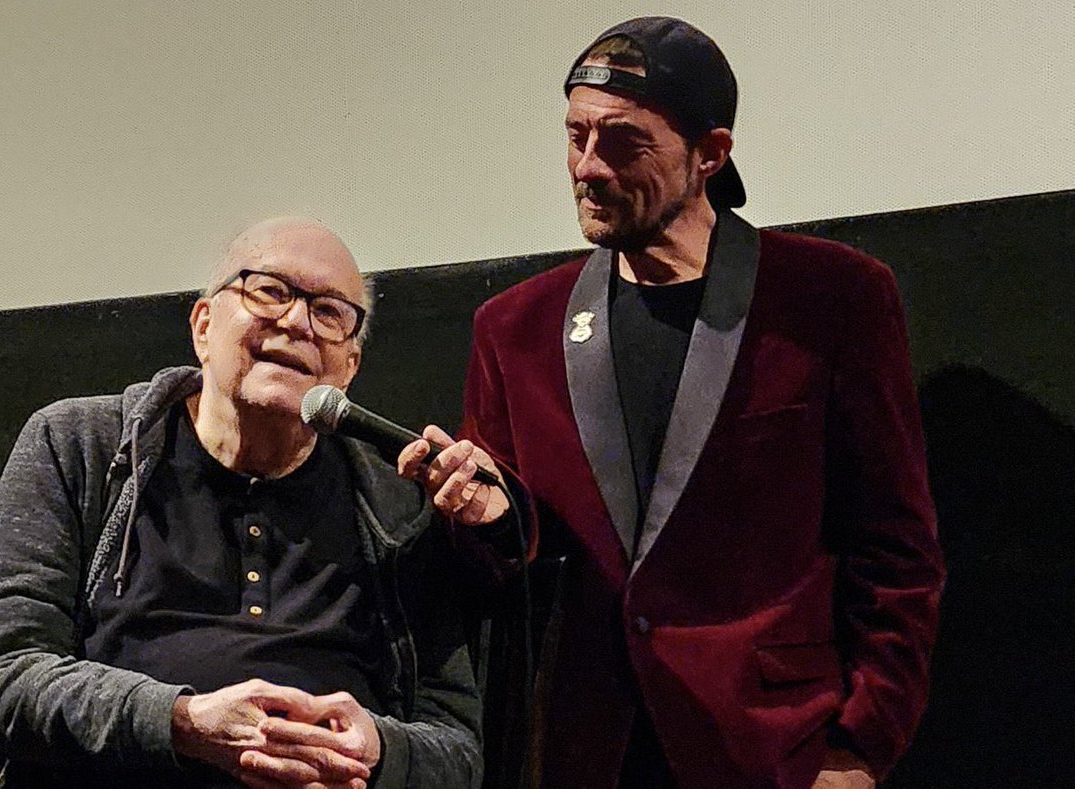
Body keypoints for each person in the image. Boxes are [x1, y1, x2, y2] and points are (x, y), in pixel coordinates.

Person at [400, 17, 944, 789]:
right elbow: (502, 575)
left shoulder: (833, 299)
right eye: (576, 136)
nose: (588, 166)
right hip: (585, 755)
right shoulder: (514, 329)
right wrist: (486, 519)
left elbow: (897, 550)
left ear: (710, 153)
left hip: (771, 751)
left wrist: (860, 747)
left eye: (623, 141)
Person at [0, 218, 482, 788]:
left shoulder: (394, 503)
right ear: (203, 326)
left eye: (329, 312)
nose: (296, 322)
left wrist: (380, 751)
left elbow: (457, 748)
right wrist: (182, 722)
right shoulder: (79, 445)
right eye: (269, 291)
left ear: (349, 366)